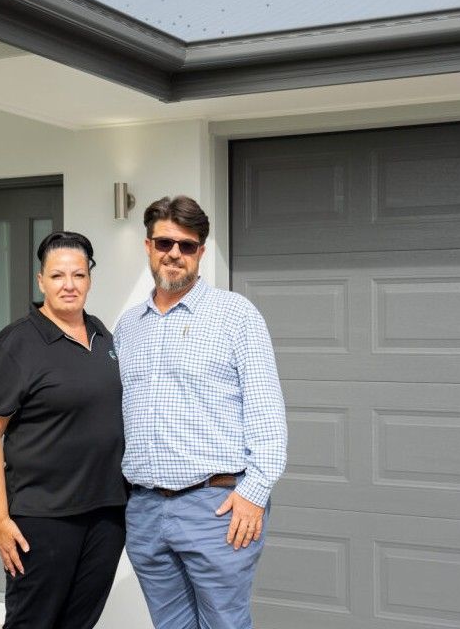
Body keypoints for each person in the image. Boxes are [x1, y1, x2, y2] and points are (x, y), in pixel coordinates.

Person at [114, 195, 287, 629]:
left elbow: (267, 413)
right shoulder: (128, 326)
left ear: (201, 253)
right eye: (164, 242)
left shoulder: (235, 315)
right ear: (148, 246)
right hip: (146, 511)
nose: (174, 253)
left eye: (187, 246)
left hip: (216, 508)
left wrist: (254, 493)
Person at [0, 231, 127, 629]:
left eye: (78, 274)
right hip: (42, 521)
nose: (69, 285)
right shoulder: (16, 345)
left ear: (90, 278)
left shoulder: (101, 335)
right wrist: (0, 521)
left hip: (106, 515)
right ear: (41, 281)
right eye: (57, 276)